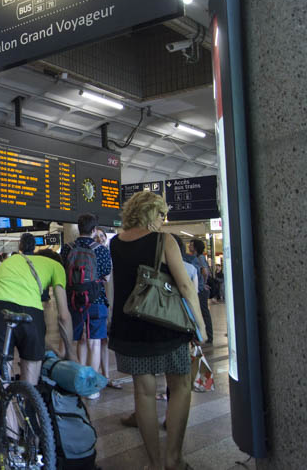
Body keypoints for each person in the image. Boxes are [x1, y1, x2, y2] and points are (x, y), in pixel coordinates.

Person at [109, 191, 206, 470]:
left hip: (129, 325)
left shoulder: (116, 243)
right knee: (180, 385)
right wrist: (199, 325)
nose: (164, 219)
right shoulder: (164, 240)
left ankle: (153, 463)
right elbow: (186, 286)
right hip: (165, 325)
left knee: (144, 393)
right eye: (162, 214)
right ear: (153, 213)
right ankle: (173, 459)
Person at [0, 234, 74, 385]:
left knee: (1, 364)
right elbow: (64, 316)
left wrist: (53, 348)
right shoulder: (57, 266)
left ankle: (4, 407)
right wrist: (70, 353)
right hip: (31, 312)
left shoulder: (12, 260)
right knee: (31, 374)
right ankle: (29, 402)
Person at [61, 213, 112, 399]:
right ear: (93, 230)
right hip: (96, 299)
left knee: (80, 339)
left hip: (74, 299)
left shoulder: (67, 248)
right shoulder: (101, 249)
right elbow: (106, 276)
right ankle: (91, 387)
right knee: (94, 342)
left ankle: (78, 380)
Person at [94, 228, 121, 390]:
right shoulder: (97, 257)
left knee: (103, 342)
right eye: (96, 236)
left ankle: (105, 375)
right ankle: (100, 376)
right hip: (100, 302)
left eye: (101, 236)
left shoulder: (110, 257)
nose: (99, 239)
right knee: (98, 341)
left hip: (110, 303)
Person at [184, 239, 213, 344]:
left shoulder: (199, 258)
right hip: (200, 288)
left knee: (203, 312)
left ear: (195, 247)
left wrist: (203, 283)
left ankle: (208, 336)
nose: (189, 246)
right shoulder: (196, 258)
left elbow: (205, 272)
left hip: (200, 289)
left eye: (191, 245)